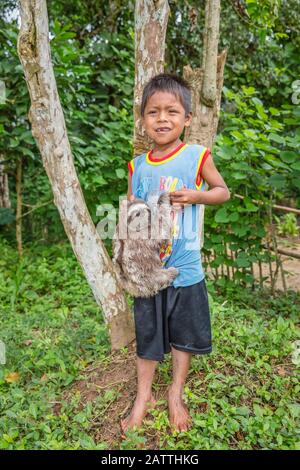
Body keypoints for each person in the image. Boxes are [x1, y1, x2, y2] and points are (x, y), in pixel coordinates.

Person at [121, 73, 230, 434]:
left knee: (183, 335)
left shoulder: (196, 157)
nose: (162, 119)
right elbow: (133, 210)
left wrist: (197, 195)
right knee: (148, 334)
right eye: (153, 112)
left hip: (184, 268)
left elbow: (222, 192)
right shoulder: (138, 165)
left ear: (187, 118)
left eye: (172, 111)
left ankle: (175, 392)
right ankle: (143, 396)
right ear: (144, 120)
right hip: (148, 273)